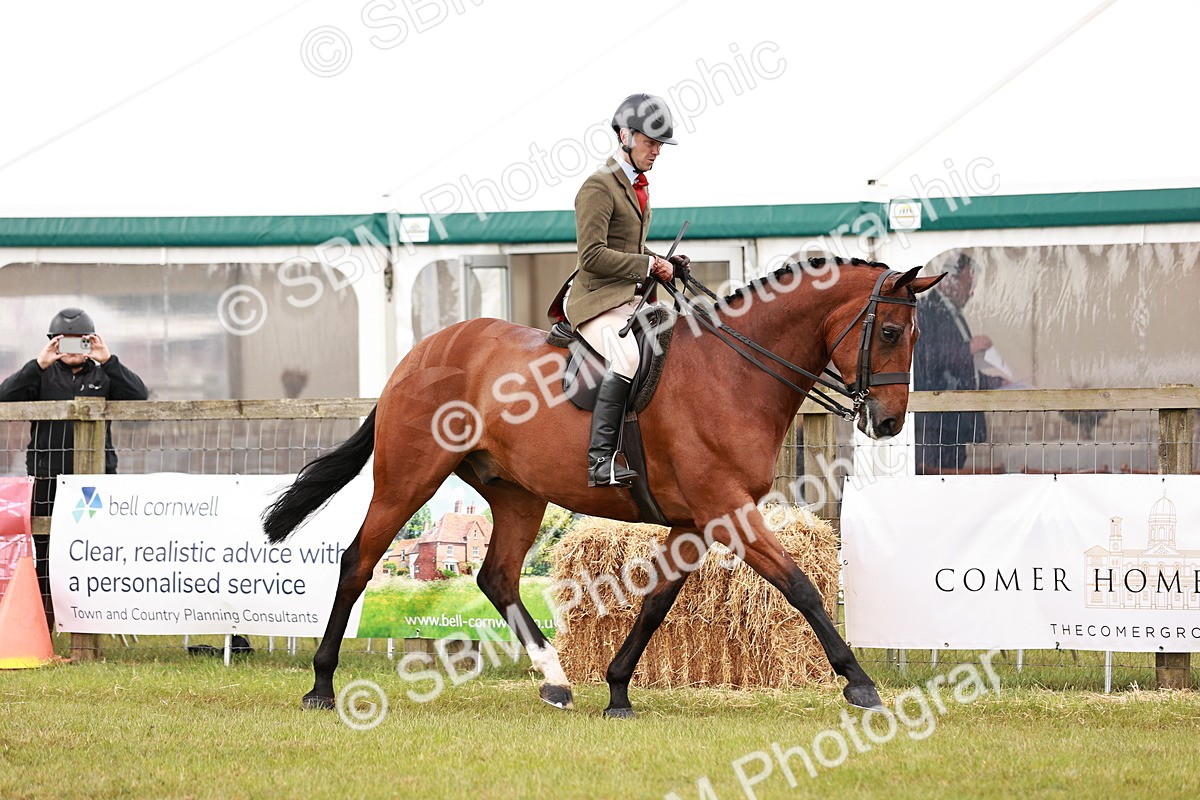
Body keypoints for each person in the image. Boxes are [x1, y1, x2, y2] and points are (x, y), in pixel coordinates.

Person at [565, 93, 690, 487]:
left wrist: (664, 263)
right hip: (596, 299)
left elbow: (631, 249)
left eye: (659, 145)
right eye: (650, 143)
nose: (656, 152)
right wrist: (646, 265)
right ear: (625, 135)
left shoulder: (638, 187)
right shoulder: (598, 187)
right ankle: (600, 460)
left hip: (628, 298)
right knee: (626, 357)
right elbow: (593, 256)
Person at [0, 307, 149, 624]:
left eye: (80, 342)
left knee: (93, 548)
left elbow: (139, 396)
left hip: (93, 482)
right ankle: (44, 622)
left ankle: (90, 619)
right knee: (46, 548)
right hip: (47, 477)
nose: (72, 350)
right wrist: (39, 364)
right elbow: (5, 396)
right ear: (53, 343)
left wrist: (108, 360)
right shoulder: (39, 377)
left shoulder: (104, 375)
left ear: (91, 341)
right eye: (63, 342)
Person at [912, 253, 1003, 472]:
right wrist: (968, 348)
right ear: (949, 280)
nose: (971, 293)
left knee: (953, 478)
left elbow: (961, 371)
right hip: (936, 424)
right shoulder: (926, 309)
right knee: (935, 479)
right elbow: (926, 357)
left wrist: (999, 382)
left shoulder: (954, 314)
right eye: (967, 285)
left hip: (954, 422)